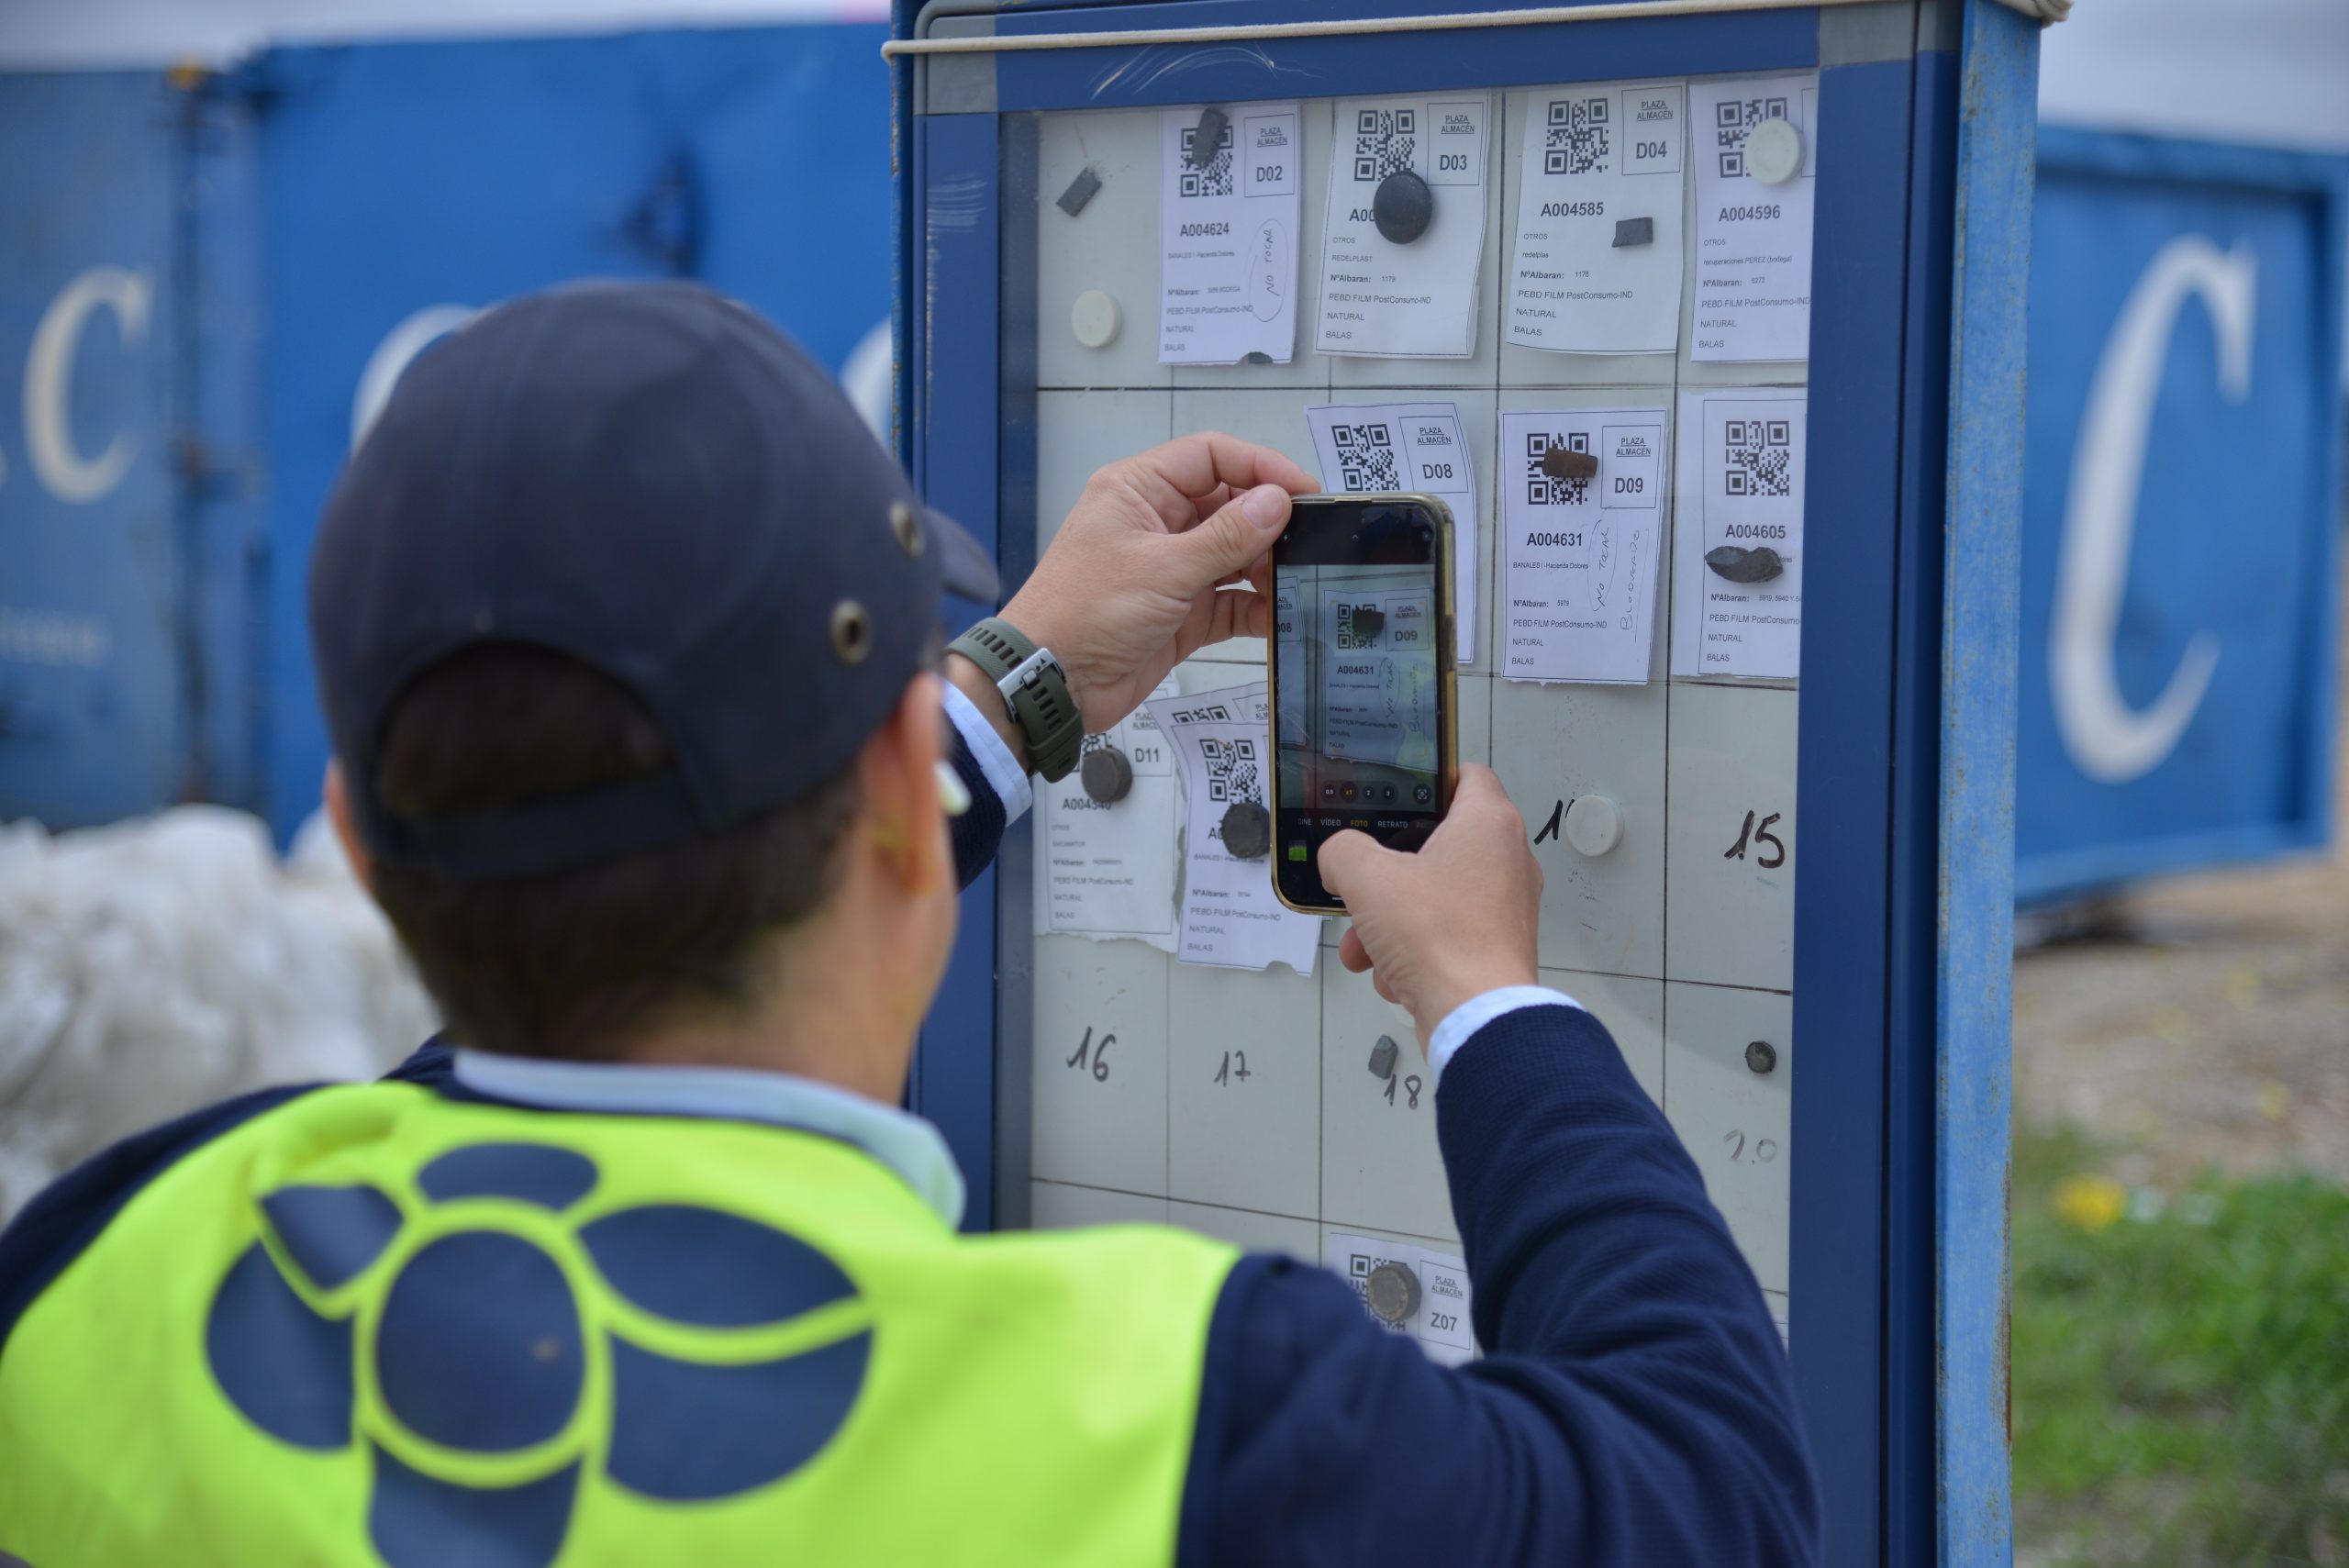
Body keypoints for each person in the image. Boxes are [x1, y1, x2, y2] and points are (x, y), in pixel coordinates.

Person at [0, 282, 1816, 1567]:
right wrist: (1489, 1001)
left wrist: (999, 704)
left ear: (358, 851)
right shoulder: (1192, 1424)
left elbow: (509, 1055)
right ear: (887, 799)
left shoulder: (112, 1267)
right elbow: (1706, 1488)